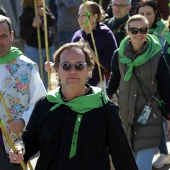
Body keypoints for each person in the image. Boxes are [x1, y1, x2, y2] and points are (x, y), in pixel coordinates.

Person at [8, 41, 138, 170]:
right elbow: (29, 139)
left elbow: (123, 155)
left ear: (88, 69)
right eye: (66, 66)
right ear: (57, 70)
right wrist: (20, 149)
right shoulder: (45, 104)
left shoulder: (104, 108)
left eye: (79, 66)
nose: (73, 71)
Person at [106, 14, 170, 170]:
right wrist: (106, 98)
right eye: (134, 30)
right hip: (124, 119)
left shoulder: (157, 56)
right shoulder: (118, 54)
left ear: (147, 31)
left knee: (141, 166)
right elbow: (114, 79)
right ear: (127, 32)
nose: (139, 34)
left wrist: (168, 115)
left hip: (149, 119)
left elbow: (166, 86)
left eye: (143, 29)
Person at [0, 14, 46, 170]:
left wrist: (23, 121)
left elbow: (41, 103)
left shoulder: (27, 67)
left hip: (14, 146)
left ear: (12, 36)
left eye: (3, 36)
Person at [135, 1, 170, 168]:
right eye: (141, 13)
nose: (145, 17)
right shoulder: (134, 33)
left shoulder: (164, 32)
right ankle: (163, 152)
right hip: (146, 86)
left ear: (156, 13)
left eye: (149, 13)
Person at [72, 1, 117, 88]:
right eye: (79, 15)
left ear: (95, 16)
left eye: (84, 15)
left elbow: (112, 65)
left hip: (99, 84)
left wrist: (90, 52)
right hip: (78, 83)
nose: (80, 19)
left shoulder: (105, 34)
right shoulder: (77, 35)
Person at [19, 0, 56, 89]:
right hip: (34, 49)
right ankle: (37, 93)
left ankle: (46, 91)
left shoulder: (43, 8)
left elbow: (53, 21)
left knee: (49, 71)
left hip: (48, 46)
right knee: (35, 73)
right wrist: (33, 26)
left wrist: (44, 14)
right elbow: (23, 35)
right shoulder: (26, 13)